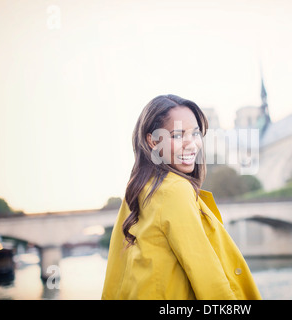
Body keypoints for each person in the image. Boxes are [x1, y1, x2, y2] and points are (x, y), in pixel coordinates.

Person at [101, 94, 261, 300]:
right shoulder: (175, 190)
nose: (192, 144)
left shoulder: (137, 191)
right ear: (153, 141)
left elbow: (116, 272)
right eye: (177, 135)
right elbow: (208, 278)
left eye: (195, 134)